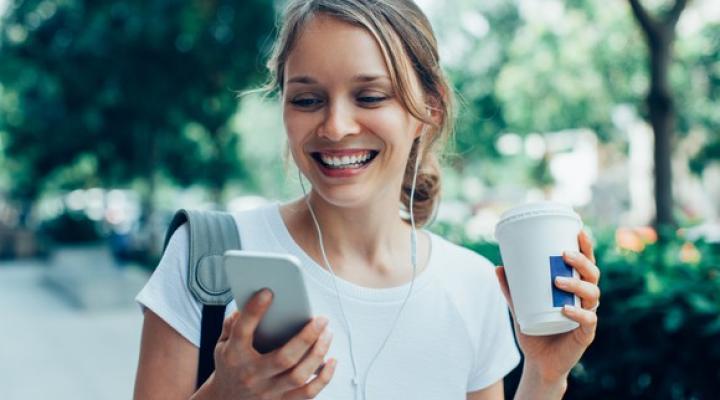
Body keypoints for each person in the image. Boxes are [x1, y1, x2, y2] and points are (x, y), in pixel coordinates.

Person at [133, 1, 601, 399]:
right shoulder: (208, 258)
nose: (336, 127)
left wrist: (544, 375)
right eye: (307, 100)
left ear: (428, 112)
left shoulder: (473, 286)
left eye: (370, 96)